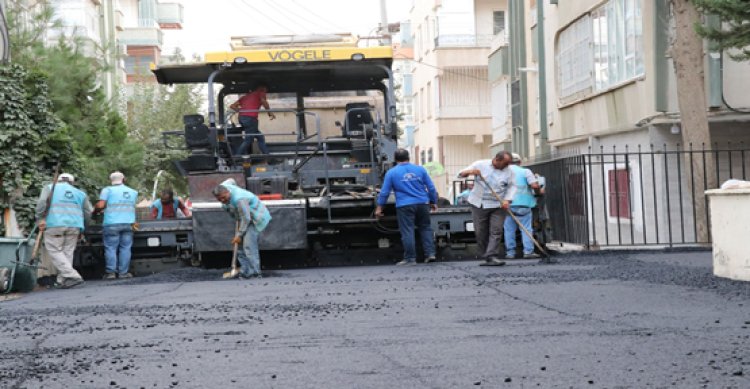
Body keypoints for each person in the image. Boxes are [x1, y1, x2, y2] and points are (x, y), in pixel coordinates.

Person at [375, 149, 438, 266]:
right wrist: (433, 201)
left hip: (405, 205)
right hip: (423, 203)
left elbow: (384, 192)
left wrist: (379, 208)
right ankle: (430, 254)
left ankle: (410, 258)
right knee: (425, 228)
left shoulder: (392, 173)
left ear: (395, 159)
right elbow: (431, 187)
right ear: (408, 157)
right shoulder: (420, 169)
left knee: (407, 231)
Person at [458, 151, 516, 266]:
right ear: (497, 160)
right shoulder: (481, 164)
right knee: (480, 231)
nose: (507, 166)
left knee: (497, 230)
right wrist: (470, 172)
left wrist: (507, 200)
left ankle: (492, 255)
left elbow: (512, 186)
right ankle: (486, 255)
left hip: (498, 204)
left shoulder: (509, 172)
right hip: (479, 203)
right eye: (505, 163)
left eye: (508, 164)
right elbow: (460, 174)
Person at [36, 173, 93, 289]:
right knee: (67, 252)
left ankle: (73, 276)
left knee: (55, 250)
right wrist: (84, 228)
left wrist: (40, 218)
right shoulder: (80, 193)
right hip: (74, 226)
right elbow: (88, 213)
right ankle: (62, 280)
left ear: (59, 180)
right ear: (72, 182)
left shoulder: (49, 188)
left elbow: (42, 203)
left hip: (54, 224)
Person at [212, 180, 272, 279]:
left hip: (255, 218)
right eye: (219, 199)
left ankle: (255, 273)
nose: (222, 200)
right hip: (243, 217)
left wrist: (239, 234)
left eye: (223, 197)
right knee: (239, 247)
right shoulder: (224, 186)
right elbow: (231, 180)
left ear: (227, 192)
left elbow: (246, 218)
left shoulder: (240, 199)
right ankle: (246, 271)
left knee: (248, 246)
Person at [95, 171, 138, 279]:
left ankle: (111, 273)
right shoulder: (133, 192)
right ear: (124, 179)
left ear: (111, 180)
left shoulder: (107, 190)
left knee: (111, 248)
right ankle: (123, 273)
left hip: (111, 223)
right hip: (128, 223)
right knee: (125, 248)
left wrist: (95, 210)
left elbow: (101, 205)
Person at [504, 153, 542, 259]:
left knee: (509, 230)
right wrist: (538, 191)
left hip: (508, 205)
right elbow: (534, 185)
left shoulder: (503, 173)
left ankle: (510, 253)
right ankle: (528, 252)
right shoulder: (525, 171)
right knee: (526, 229)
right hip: (524, 205)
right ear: (520, 162)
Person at [229, 82, 276, 155]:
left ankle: (268, 157)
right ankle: (237, 157)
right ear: (262, 88)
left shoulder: (245, 97)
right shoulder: (261, 93)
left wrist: (241, 111)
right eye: (266, 89)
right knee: (248, 140)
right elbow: (264, 102)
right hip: (250, 119)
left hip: (242, 118)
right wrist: (270, 113)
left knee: (260, 137)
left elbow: (232, 106)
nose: (266, 91)